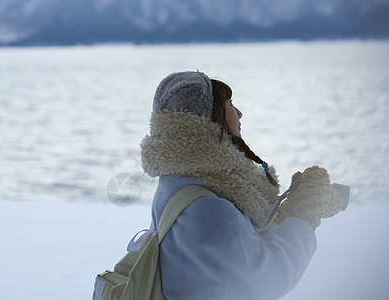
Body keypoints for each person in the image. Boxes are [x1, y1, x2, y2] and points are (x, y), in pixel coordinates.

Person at [140, 71, 344, 299]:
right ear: (208, 120)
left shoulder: (175, 183)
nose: (239, 113)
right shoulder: (211, 209)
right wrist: (304, 217)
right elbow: (268, 281)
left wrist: (285, 217)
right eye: (230, 104)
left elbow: (222, 257)